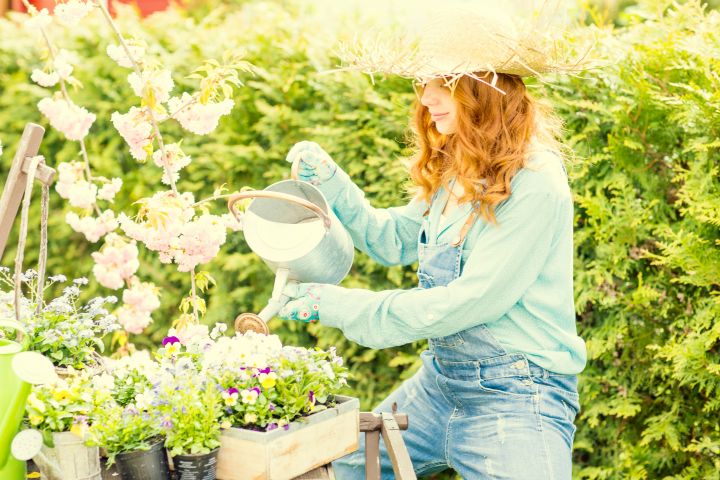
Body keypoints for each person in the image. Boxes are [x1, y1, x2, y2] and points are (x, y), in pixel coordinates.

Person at [278, 2, 587, 478]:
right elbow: (395, 239)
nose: (425, 97)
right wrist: (333, 183)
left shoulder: (536, 182)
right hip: (440, 385)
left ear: (485, 90)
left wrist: (338, 306)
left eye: (442, 83)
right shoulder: (457, 166)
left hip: (519, 396)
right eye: (424, 83)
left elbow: (469, 302)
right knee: (328, 471)